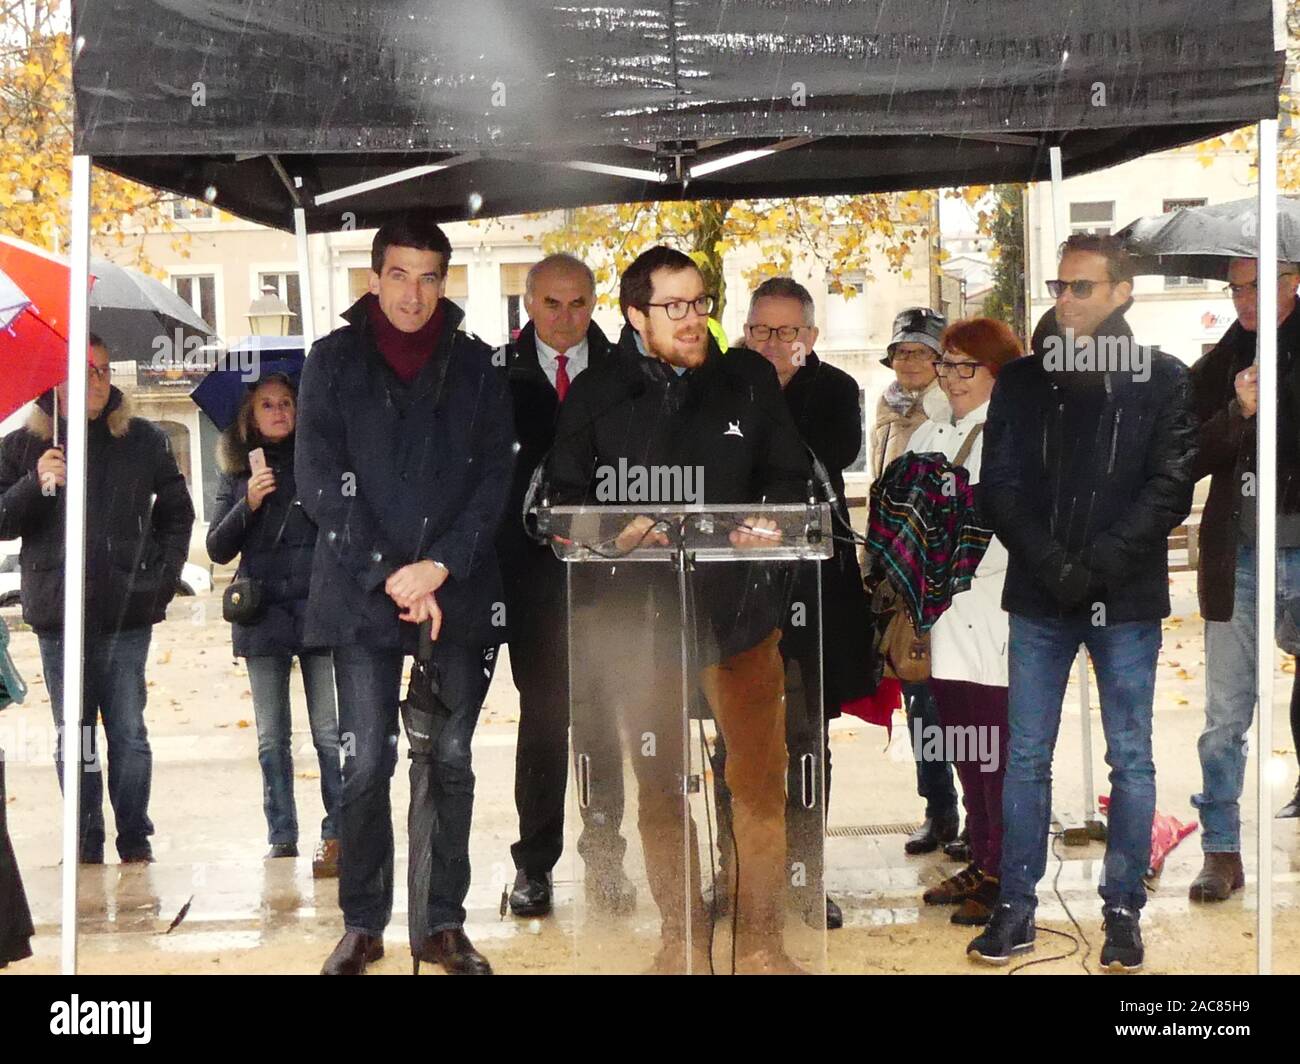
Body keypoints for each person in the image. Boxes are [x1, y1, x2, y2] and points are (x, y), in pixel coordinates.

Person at [548, 245, 811, 973]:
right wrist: (608, 527)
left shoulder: (748, 379)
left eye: (699, 303)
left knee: (758, 782)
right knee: (661, 788)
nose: (693, 320)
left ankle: (760, 943)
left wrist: (771, 520)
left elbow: (792, 478)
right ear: (635, 315)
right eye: (674, 307)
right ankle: (682, 938)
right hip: (642, 627)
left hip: (742, 618)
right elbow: (559, 500)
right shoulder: (598, 393)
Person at [971, 234, 1197, 971]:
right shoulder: (1024, 380)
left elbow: (1169, 486)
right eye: (1059, 286)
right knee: (1026, 756)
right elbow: (997, 485)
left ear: (1122, 293)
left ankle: (1123, 907)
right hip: (1040, 594)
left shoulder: (1163, 378)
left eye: (1082, 288)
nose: (1064, 300)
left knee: (1130, 757)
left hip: (1124, 597)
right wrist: (1053, 564)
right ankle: (1016, 909)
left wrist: (1096, 565)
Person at [298, 214, 515, 976]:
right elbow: (320, 484)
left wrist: (440, 569)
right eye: (399, 274)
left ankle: (441, 924)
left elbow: (496, 481)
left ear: (444, 281)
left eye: (429, 276)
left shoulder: (480, 366)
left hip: (457, 598)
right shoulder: (330, 362)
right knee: (364, 765)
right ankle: (363, 924)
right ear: (374, 278)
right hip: (361, 598)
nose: (414, 293)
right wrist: (394, 571)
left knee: (449, 759)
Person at [711, 275, 872, 931]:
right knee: (735, 745)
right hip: (733, 592)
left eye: (785, 332)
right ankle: (739, 876)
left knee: (804, 742)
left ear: (810, 336)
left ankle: (805, 878)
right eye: (759, 331)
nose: (771, 343)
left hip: (809, 594)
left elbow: (831, 454)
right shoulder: (717, 389)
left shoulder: (834, 392)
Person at [0, 335, 195, 865]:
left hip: (126, 612)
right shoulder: (24, 446)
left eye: (106, 370)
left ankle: (134, 837)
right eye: (86, 371)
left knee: (128, 732)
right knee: (76, 734)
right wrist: (36, 483)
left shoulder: (142, 440)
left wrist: (160, 578)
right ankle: (84, 842)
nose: (99, 381)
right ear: (57, 379)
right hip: (59, 614)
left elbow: (178, 514)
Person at [496, 253, 634, 919]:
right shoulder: (495, 374)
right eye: (551, 303)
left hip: (611, 577)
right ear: (528, 303)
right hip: (532, 582)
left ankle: (605, 857)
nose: (565, 318)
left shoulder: (624, 373)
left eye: (578, 303)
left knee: (604, 719)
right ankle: (534, 867)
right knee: (545, 721)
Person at [1187, 257, 1300, 896]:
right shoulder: (1220, 362)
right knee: (1225, 715)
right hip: (1241, 559)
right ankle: (1221, 850)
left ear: (1293, 281)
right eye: (1234, 287)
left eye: (1257, 284)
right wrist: (1239, 411)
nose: (1244, 298)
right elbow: (1187, 453)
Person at [905, 318, 1022, 926]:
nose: (949, 377)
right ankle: (981, 856)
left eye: (964, 366)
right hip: (940, 614)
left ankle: (1005, 872)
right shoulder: (929, 427)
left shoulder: (1011, 431)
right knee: (963, 745)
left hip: (993, 611)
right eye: (945, 364)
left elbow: (1007, 526)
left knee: (996, 748)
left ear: (997, 373)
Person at [206, 373, 342, 877]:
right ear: (250, 415)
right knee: (271, 737)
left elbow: (342, 526)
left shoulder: (320, 462)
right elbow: (219, 547)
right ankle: (281, 835)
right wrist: (251, 501)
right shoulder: (238, 470)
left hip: (318, 612)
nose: (280, 411)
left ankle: (338, 834)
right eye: (268, 404)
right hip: (262, 617)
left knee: (329, 733)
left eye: (287, 402)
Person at [872, 307, 962, 858]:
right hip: (899, 577)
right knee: (919, 697)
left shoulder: (949, 410)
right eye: (901, 351)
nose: (909, 361)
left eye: (921, 352)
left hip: (945, 575)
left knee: (958, 699)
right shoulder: (885, 407)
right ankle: (938, 808)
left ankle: (976, 812)